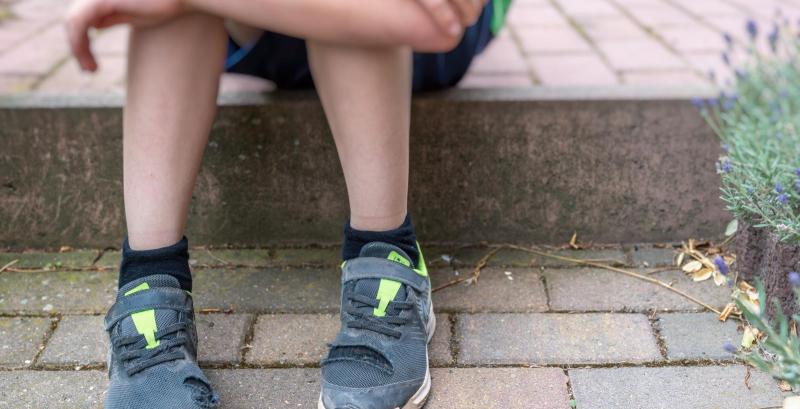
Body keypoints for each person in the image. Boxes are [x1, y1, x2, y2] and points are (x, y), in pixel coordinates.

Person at [64, 0, 509, 407]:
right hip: (270, 17)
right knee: (171, 12)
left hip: (411, 39)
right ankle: (148, 284)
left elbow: (441, 23)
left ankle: (387, 249)